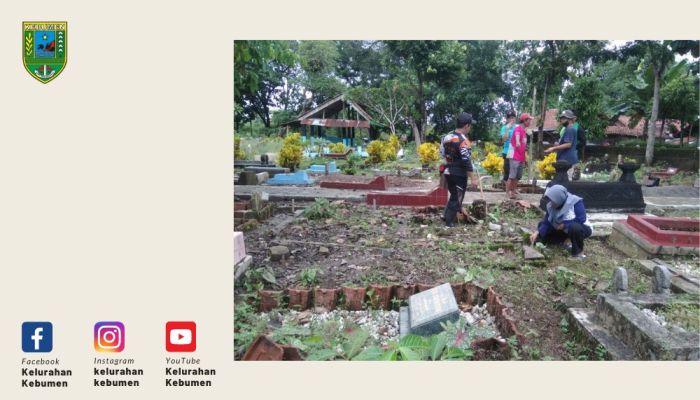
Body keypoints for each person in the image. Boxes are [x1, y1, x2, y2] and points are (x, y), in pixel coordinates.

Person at [529, 185, 592, 259]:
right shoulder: (551, 206)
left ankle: (578, 254)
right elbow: (547, 222)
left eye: (553, 200)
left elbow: (581, 219)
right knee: (541, 226)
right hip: (564, 231)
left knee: (574, 227)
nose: (551, 202)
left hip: (581, 228)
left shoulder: (575, 201)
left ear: (559, 198)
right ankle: (565, 241)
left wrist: (564, 224)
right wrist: (537, 232)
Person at [440, 112, 479, 227]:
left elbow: (442, 153)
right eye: (470, 125)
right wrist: (473, 178)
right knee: (457, 198)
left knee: (453, 195)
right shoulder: (464, 141)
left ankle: (445, 215)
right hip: (459, 174)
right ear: (466, 126)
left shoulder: (447, 137)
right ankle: (449, 222)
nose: (470, 128)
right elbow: (466, 160)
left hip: (448, 171)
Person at [546, 110, 578, 180]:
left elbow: (568, 144)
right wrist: (559, 144)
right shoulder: (569, 129)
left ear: (569, 119)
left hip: (567, 160)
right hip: (566, 160)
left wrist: (554, 148)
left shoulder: (570, 129)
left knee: (566, 182)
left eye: (563, 118)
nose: (561, 120)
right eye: (561, 118)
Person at [506, 113, 532, 199]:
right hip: (515, 156)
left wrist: (525, 158)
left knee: (518, 176)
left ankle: (513, 191)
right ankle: (508, 193)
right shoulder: (518, 129)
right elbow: (517, 135)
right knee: (512, 176)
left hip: (521, 157)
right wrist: (517, 142)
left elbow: (524, 146)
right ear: (524, 120)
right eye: (529, 120)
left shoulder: (524, 131)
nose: (530, 121)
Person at [500, 112, 517, 185]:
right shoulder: (504, 128)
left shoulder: (517, 127)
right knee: (507, 171)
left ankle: (512, 189)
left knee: (515, 172)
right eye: (510, 118)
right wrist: (507, 129)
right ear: (507, 120)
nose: (512, 120)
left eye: (513, 118)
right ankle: (507, 189)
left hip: (516, 152)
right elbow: (504, 139)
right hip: (507, 152)